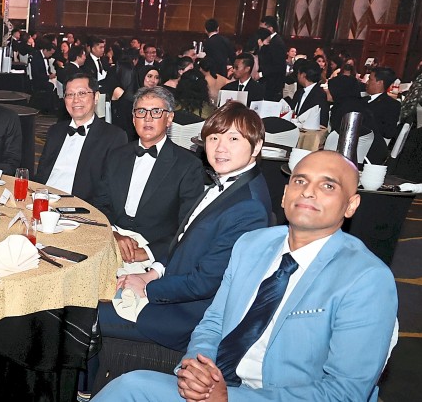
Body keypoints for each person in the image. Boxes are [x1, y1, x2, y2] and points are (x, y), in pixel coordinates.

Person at [94, 150, 398, 402]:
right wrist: (199, 369)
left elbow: (345, 393)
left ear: (351, 205)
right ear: (284, 195)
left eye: (328, 186)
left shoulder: (366, 279)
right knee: (128, 387)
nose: (308, 191)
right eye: (300, 180)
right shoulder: (253, 244)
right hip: (217, 384)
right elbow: (213, 322)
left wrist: (227, 398)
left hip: (276, 397)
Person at [93, 101, 273, 362]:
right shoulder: (226, 184)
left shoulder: (248, 207)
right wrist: (151, 273)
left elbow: (205, 283)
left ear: (256, 146)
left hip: (183, 316)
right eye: (213, 138)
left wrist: (149, 287)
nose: (220, 148)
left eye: (233, 138)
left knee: (85, 313)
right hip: (171, 284)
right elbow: (183, 239)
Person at [89, 87, 205, 262]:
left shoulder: (188, 165)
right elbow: (100, 203)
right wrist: (112, 234)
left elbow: (188, 226)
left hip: (153, 252)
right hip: (111, 240)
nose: (148, 118)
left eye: (156, 112)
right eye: (141, 111)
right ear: (134, 118)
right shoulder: (116, 155)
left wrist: (149, 252)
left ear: (169, 119)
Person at [34, 73, 127, 199]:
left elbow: (110, 189)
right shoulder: (55, 131)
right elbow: (41, 175)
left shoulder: (113, 137)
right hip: (43, 200)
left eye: (82, 93)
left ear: (96, 97)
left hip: (79, 207)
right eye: (70, 94)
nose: (75, 100)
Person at [289, 60, 329, 126]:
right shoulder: (299, 92)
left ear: (303, 75)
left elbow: (322, 120)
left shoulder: (320, 95)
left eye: (298, 73)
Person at [257, 16, 287, 101]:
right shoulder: (267, 41)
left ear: (270, 28)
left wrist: (260, 74)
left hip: (273, 84)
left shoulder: (277, 43)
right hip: (266, 83)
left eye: (262, 28)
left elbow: (278, 66)